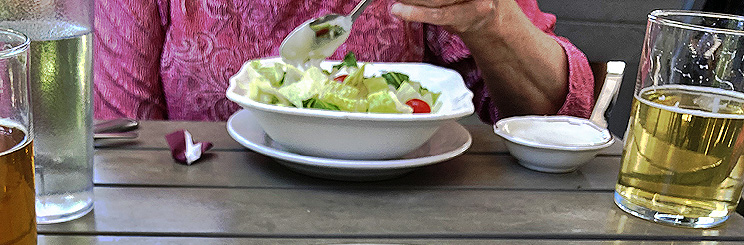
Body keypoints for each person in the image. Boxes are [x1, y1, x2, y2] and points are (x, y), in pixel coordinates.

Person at [94, 0, 594, 123]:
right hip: (204, 232)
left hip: (408, 228)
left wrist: (493, 20)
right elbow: (119, 135)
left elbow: (557, 117)